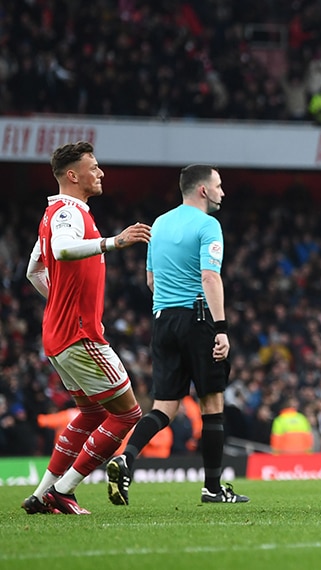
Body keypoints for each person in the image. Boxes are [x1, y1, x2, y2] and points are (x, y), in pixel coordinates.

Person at [108, 164, 248, 506]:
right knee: (212, 403)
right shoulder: (208, 225)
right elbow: (210, 278)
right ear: (203, 190)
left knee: (164, 407)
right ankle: (213, 488)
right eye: (218, 185)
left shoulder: (159, 224)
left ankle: (126, 458)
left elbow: (151, 282)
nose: (222, 192)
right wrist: (221, 329)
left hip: (162, 320)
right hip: (197, 320)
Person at [22, 141, 150, 515]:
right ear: (73, 176)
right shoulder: (68, 212)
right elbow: (62, 250)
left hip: (58, 333)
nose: (101, 173)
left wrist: (60, 303)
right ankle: (63, 490)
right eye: (93, 167)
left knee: (93, 413)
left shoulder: (50, 214)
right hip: (79, 334)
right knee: (128, 414)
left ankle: (41, 493)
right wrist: (115, 241)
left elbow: (34, 270)